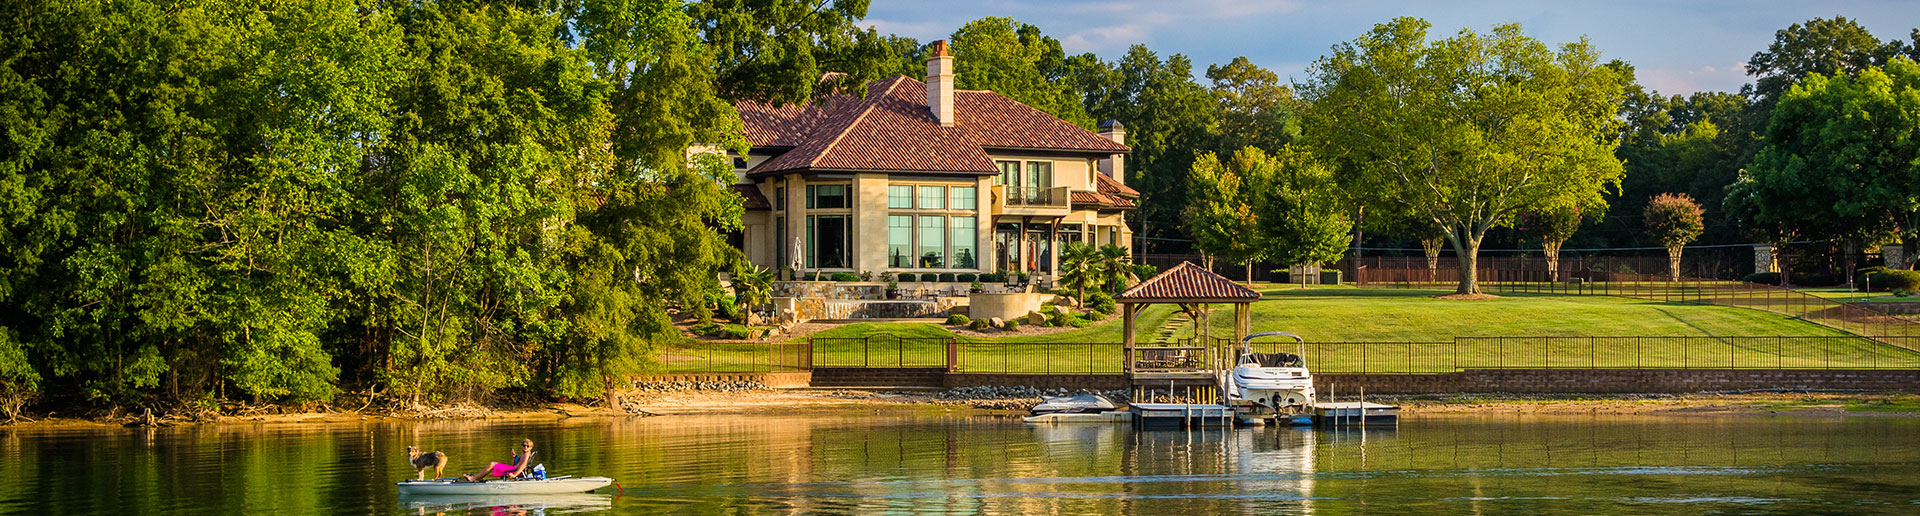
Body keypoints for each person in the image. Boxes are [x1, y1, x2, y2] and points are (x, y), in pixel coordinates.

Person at [463, 439, 535, 482]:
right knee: (492, 464)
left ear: (531, 447)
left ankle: (473, 478)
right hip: (513, 468)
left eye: (527, 446)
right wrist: (514, 457)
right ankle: (477, 478)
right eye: (524, 446)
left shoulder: (526, 454)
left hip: (514, 471)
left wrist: (514, 475)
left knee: (492, 464)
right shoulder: (525, 454)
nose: (525, 447)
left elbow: (522, 466)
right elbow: (515, 464)